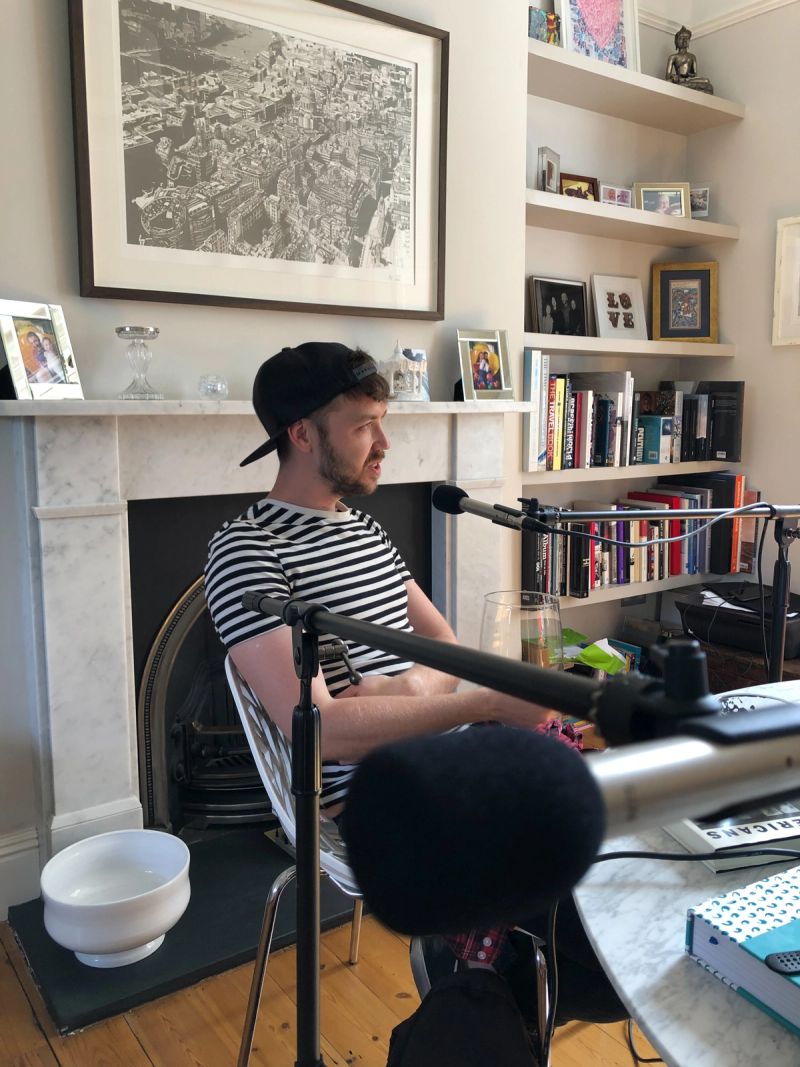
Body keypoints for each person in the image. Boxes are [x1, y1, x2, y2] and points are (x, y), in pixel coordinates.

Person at [205, 342, 625, 1029]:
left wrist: (405, 691)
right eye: (364, 425)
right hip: (375, 799)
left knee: (619, 827)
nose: (384, 443)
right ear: (302, 434)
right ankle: (494, 988)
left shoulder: (366, 530)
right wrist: (483, 701)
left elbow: (447, 650)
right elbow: (324, 731)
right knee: (585, 879)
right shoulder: (247, 551)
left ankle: (505, 976)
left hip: (456, 752)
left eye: (382, 421)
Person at [665, 26, 713, 94]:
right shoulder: (673, 57)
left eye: (686, 38)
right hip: (679, 80)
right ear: (676, 41)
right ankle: (682, 86)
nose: (684, 40)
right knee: (669, 82)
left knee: (706, 81)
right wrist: (674, 76)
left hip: (689, 80)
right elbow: (667, 75)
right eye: (681, 38)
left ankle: (684, 86)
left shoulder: (692, 57)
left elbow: (695, 74)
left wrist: (689, 75)